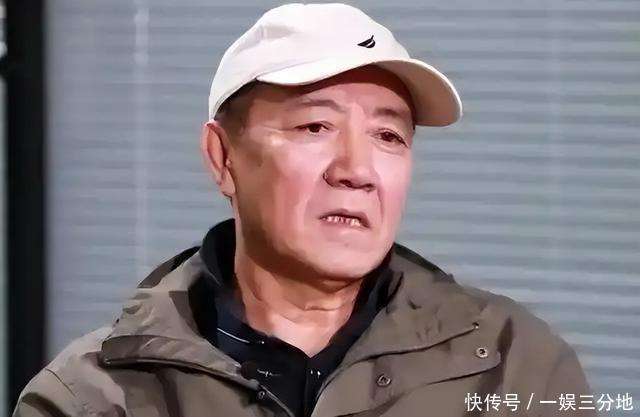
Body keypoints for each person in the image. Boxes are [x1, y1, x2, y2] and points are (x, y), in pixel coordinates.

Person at [13, 3, 595, 417]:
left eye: (389, 136)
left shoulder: (513, 363)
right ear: (222, 158)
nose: (357, 169)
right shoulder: (93, 396)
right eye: (315, 126)